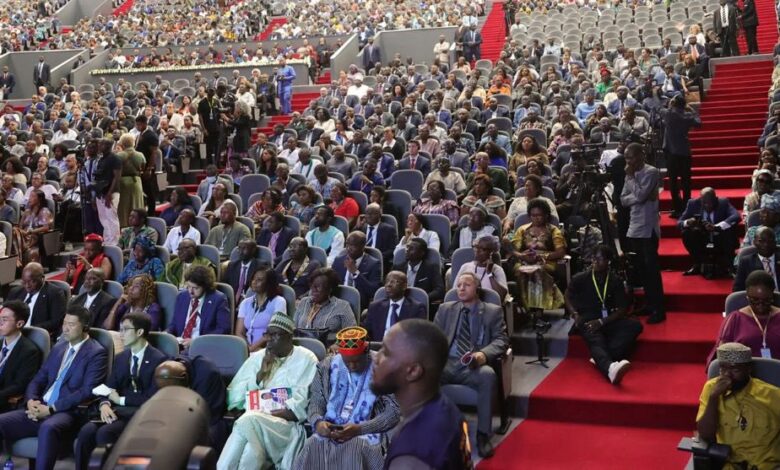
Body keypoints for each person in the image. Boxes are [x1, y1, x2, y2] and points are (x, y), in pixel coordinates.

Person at [0, 305, 107, 470]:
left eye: (71, 324)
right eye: (64, 323)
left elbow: (87, 390)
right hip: (40, 407)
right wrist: (31, 400)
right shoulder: (59, 348)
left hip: (66, 412)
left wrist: (51, 409)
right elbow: (38, 379)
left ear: (85, 327)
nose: (65, 328)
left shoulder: (96, 353)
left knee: (48, 427)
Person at [217, 313, 318, 470]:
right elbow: (233, 398)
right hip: (254, 425)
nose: (268, 340)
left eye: (275, 335)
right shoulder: (258, 358)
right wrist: (259, 376)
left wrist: (266, 413)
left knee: (248, 419)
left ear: (289, 337)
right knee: (250, 452)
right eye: (267, 334)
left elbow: (303, 403)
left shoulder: (306, 358)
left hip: (285, 428)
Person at [372, 319, 473, 469]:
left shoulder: (409, 458)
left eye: (385, 353)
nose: (375, 357)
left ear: (413, 371)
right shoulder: (448, 408)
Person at [293, 326, 400, 469]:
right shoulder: (327, 367)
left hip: (368, 431)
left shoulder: (383, 368)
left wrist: (360, 429)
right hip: (332, 428)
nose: (352, 366)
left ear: (366, 351)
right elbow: (316, 402)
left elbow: (393, 412)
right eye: (347, 362)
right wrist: (318, 423)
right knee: (313, 443)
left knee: (355, 447)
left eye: (357, 361)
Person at [73, 312, 167, 470]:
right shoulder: (121, 358)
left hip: (138, 414)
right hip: (116, 411)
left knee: (105, 433)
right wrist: (104, 404)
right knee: (86, 432)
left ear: (139, 332)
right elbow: (109, 387)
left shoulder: (159, 360)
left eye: (125, 329)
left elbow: (153, 397)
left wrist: (119, 400)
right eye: (120, 329)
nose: (120, 334)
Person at [434, 272, 509, 457]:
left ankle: (482, 435)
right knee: (423, 373)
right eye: (459, 285)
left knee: (487, 375)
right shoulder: (445, 309)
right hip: (446, 363)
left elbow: (501, 340)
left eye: (466, 285)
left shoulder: (492, 311)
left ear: (477, 288)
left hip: (472, 365)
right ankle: (433, 429)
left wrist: (483, 354)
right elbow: (433, 337)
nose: (461, 288)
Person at [565, 245, 643, 383]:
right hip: (587, 318)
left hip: (606, 319)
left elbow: (622, 309)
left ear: (608, 261)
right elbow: (567, 295)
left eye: (599, 258)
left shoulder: (615, 280)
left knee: (635, 326)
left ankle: (602, 358)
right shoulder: (580, 278)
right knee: (595, 338)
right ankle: (610, 368)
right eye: (593, 258)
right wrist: (575, 314)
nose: (595, 261)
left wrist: (602, 322)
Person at [696, 342, 780, 469]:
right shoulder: (712, 389)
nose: (727, 375)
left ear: (748, 369)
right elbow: (705, 435)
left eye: (735, 369)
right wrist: (713, 398)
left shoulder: (772, 394)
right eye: (723, 368)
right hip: (729, 465)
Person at [621, 143, 665, 324]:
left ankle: (659, 309)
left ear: (641, 155)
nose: (628, 161)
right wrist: (639, 197)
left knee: (652, 271)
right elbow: (623, 200)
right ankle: (649, 303)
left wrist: (632, 179)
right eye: (626, 157)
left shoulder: (651, 171)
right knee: (641, 269)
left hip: (648, 229)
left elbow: (639, 196)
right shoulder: (629, 174)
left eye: (630, 157)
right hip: (634, 226)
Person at [154, 356, 227, 449]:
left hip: (209, 418)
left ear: (184, 377)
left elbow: (209, 413)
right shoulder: (163, 372)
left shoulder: (207, 375)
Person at [507, 198, 567, 312]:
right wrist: (522, 256)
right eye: (533, 215)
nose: (536, 218)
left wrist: (542, 256)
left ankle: (537, 310)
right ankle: (527, 309)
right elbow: (514, 250)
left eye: (539, 215)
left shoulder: (553, 230)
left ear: (546, 215)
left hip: (546, 262)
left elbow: (560, 252)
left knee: (537, 271)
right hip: (524, 260)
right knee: (522, 271)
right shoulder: (522, 230)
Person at [709, 271, 780, 363]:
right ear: (747, 297)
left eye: (766, 300)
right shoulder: (734, 318)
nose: (760, 304)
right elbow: (722, 355)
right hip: (742, 371)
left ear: (772, 296)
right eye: (754, 300)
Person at [678, 188, 740, 278]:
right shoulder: (693, 204)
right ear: (700, 200)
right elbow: (679, 223)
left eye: (710, 202)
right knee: (686, 233)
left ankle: (729, 266)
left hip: (719, 237)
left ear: (715, 199)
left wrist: (717, 227)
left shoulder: (723, 203)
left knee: (729, 230)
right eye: (705, 203)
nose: (708, 205)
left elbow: (736, 216)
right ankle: (697, 264)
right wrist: (688, 222)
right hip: (701, 238)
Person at [167, 265, 231, 349]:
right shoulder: (182, 297)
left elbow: (223, 329)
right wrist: (167, 334)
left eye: (195, 288)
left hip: (202, 347)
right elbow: (174, 324)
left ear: (205, 286)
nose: (190, 291)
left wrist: (196, 342)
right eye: (188, 286)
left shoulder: (218, 300)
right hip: (179, 344)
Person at [661, 95, 701, 218]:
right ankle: (687, 207)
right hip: (684, 151)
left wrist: (670, 105)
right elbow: (699, 123)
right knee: (686, 181)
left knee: (673, 182)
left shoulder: (668, 113)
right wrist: (692, 110)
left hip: (671, 152)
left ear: (673, 103)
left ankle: (677, 208)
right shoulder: (687, 116)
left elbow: (659, 109)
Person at [0, 300, 43, 412]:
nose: (0, 323)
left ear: (19, 324)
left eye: (4, 320)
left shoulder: (29, 351)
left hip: (5, 401)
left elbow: (20, 385)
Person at [293, 268, 357, 341]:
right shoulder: (304, 302)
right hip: (301, 345)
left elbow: (353, 335)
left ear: (330, 289)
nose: (313, 290)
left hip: (329, 346)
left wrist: (338, 344)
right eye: (312, 286)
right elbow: (293, 329)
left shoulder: (342, 306)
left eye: (318, 287)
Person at [7, 262, 66, 337]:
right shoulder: (15, 292)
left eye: (32, 281)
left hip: (35, 335)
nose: (27, 285)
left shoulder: (54, 293)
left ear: (42, 278)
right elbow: (4, 312)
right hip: (12, 333)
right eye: (24, 281)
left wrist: (30, 329)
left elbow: (57, 321)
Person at [236, 267, 287, 352]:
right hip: (246, 349)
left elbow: (273, 333)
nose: (254, 282)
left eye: (259, 280)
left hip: (267, 350)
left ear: (269, 283)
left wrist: (252, 349)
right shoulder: (245, 302)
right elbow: (239, 332)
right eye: (253, 279)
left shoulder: (279, 302)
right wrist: (247, 348)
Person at [364, 271, 427, 340]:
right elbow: (366, 332)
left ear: (404, 286)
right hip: (378, 345)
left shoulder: (416, 308)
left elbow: (419, 337)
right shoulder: (375, 307)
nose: (389, 285)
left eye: (394, 282)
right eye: (387, 281)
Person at [332, 231, 382, 310]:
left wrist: (355, 272)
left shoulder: (373, 264)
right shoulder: (339, 260)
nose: (348, 248)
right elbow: (331, 283)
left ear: (363, 246)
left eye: (353, 245)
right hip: (338, 300)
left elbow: (373, 291)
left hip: (358, 303)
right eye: (347, 244)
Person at [392, 237, 445, 307]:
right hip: (399, 303)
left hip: (420, 305)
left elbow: (439, 290)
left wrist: (422, 298)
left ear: (421, 253)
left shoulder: (431, 268)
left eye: (412, 248)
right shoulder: (398, 268)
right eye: (407, 247)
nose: (407, 250)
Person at [456, 235, 508, 300]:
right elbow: (454, 292)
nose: (477, 251)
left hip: (489, 305)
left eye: (483, 249)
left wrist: (489, 273)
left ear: (491, 252)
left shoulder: (497, 270)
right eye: (476, 247)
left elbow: (501, 296)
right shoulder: (465, 267)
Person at [92, 139, 122, 245]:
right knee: (103, 218)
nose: (99, 146)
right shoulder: (101, 159)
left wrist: (110, 193)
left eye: (101, 144)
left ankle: (115, 242)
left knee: (111, 218)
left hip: (111, 192)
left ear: (108, 146)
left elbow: (116, 177)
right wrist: (95, 195)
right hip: (101, 192)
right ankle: (108, 240)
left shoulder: (115, 158)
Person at [12, 188, 53, 265]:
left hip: (34, 236)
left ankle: (18, 258)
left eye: (32, 196)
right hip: (23, 235)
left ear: (39, 199)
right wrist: (23, 232)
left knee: (14, 231)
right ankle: (17, 257)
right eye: (30, 196)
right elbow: (20, 226)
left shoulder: (44, 211)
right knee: (14, 230)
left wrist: (31, 232)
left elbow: (46, 227)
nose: (29, 198)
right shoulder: (27, 211)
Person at [734, 226, 780, 291]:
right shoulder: (746, 262)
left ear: (775, 243)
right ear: (754, 242)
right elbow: (738, 289)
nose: (766, 244)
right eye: (761, 241)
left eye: (770, 241)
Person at [115, 133, 146, 227]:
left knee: (123, 207)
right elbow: (143, 167)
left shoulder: (119, 155)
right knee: (137, 204)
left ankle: (124, 226)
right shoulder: (140, 155)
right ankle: (138, 224)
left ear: (122, 143)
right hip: (136, 182)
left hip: (123, 182)